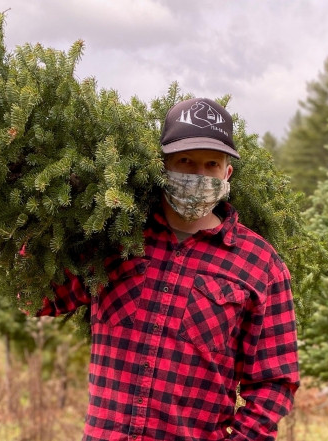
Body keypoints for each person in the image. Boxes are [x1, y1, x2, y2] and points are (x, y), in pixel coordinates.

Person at [38, 98, 299, 440]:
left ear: (227, 173)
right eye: (186, 161)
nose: (199, 174)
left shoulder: (260, 264)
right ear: (162, 166)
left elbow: (273, 382)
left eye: (211, 164)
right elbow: (39, 299)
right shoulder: (113, 238)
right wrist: (46, 216)